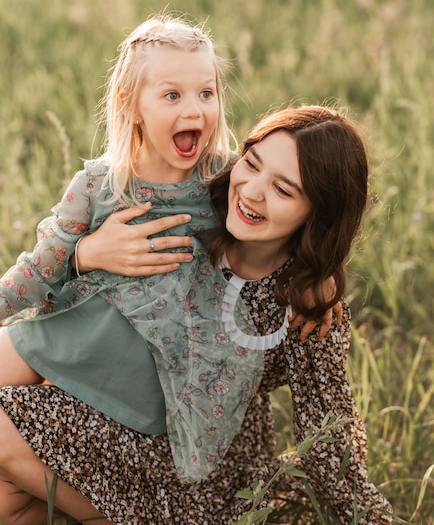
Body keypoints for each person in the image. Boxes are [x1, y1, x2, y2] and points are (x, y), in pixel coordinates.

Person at [0, 106, 392, 524]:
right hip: (104, 403)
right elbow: (65, 281)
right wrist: (87, 253)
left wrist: (374, 518)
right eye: (252, 163)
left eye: (283, 189)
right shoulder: (193, 209)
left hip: (194, 462)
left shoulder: (305, 306)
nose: (253, 191)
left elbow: (330, 435)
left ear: (318, 213)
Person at [0, 13, 334, 482]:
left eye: (206, 92)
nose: (194, 110)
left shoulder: (225, 179)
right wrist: (86, 254)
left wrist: (323, 273)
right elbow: (40, 269)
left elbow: (287, 220)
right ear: (131, 104)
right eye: (172, 95)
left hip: (148, 365)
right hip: (71, 334)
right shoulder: (98, 184)